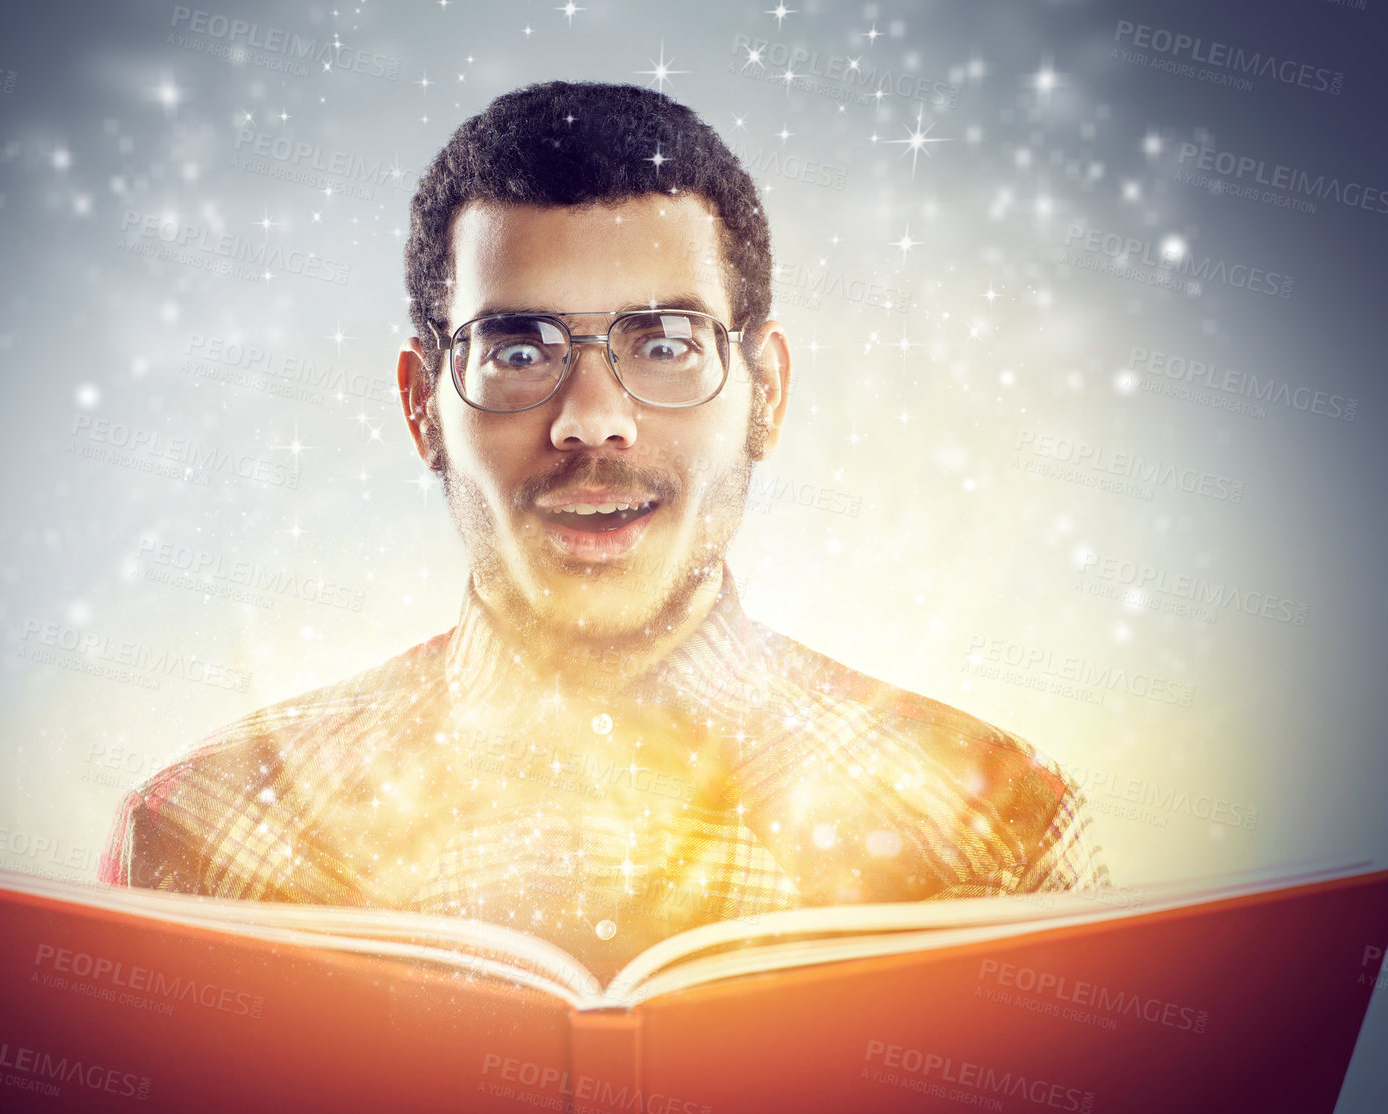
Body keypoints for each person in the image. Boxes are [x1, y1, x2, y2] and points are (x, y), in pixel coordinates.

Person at [99, 80, 1108, 978]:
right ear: (421, 409)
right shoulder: (203, 845)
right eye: (519, 349)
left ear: (766, 395)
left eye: (664, 344)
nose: (593, 418)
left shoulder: (996, 842)